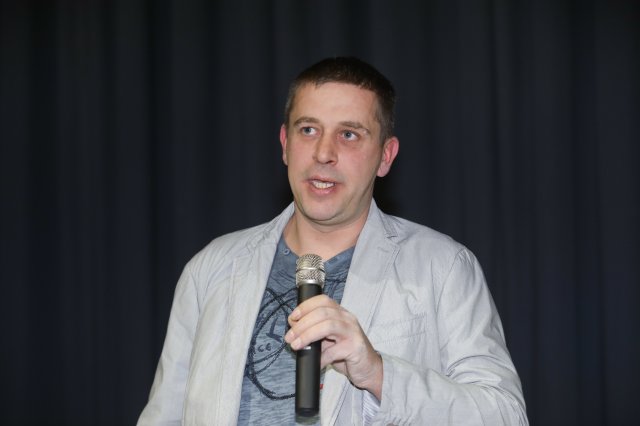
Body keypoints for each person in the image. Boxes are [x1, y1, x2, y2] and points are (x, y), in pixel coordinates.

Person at [138, 57, 528, 425]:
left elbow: (505, 415)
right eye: (308, 130)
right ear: (285, 143)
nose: (324, 153)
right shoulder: (213, 267)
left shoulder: (442, 267)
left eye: (349, 134)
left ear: (385, 156)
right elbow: (164, 416)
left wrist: (377, 372)